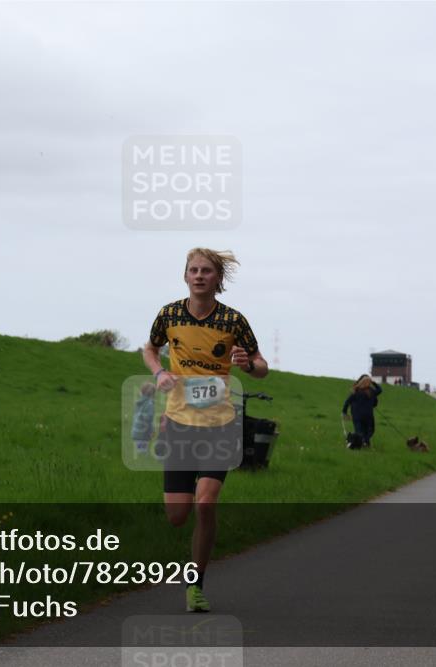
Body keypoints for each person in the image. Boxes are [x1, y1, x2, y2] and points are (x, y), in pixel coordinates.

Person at [142, 248, 268, 612]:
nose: (199, 275)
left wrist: (249, 364)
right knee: (177, 516)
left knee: (206, 502)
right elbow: (150, 349)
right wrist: (160, 372)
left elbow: (261, 365)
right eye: (193, 270)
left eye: (206, 271)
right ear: (185, 276)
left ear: (218, 279)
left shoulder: (233, 321)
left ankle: (195, 585)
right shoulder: (169, 314)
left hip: (220, 424)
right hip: (179, 422)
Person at [342, 375, 382, 447]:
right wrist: (374, 383)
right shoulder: (371, 392)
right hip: (368, 416)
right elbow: (380, 390)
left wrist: (344, 412)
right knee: (369, 430)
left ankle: (358, 443)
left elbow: (347, 402)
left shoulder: (356, 391)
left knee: (359, 431)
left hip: (357, 415)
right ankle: (364, 442)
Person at [131, 382, 157, 456]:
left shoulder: (139, 402)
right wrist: (152, 430)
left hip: (135, 430)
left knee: (139, 447)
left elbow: (137, 416)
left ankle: (141, 454)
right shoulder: (150, 405)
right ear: (153, 394)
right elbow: (149, 420)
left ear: (141, 392)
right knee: (142, 451)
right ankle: (142, 456)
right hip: (143, 432)